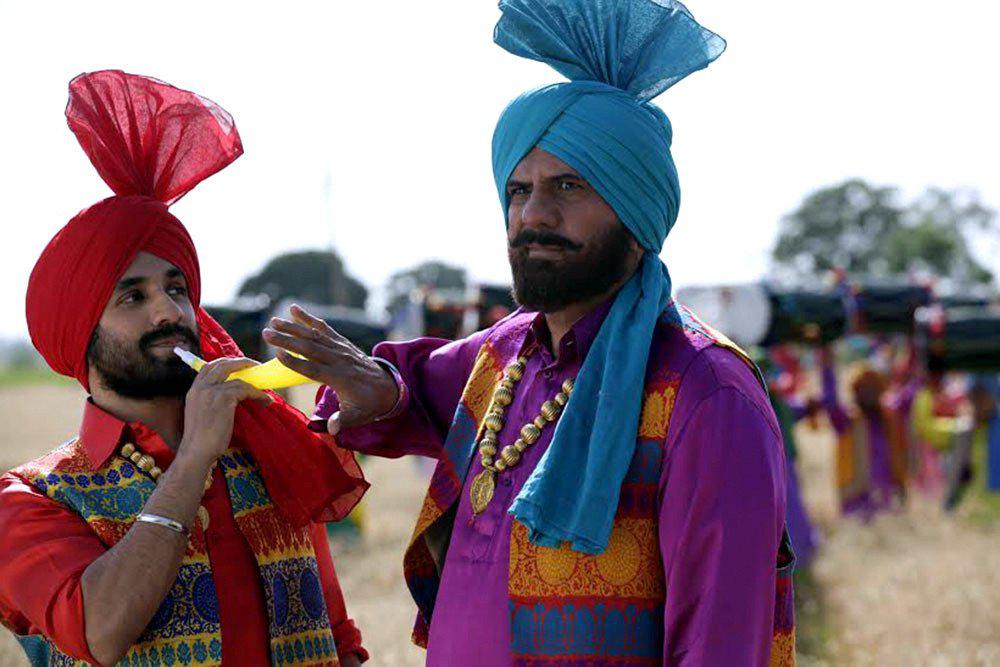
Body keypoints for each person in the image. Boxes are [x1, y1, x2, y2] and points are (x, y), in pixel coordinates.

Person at [267, 1, 794, 664]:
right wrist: (375, 387)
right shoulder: (503, 355)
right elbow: (413, 391)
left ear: (636, 209)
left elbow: (721, 644)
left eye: (568, 185)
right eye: (518, 189)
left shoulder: (707, 392)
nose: (532, 214)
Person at [0, 71, 368, 667]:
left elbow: (337, 638)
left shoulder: (267, 451)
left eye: (177, 288)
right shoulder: (32, 500)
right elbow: (100, 629)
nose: (169, 312)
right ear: (78, 336)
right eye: (132, 296)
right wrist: (195, 455)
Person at [819, 346, 908, 518]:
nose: (869, 394)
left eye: (873, 389)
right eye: (864, 389)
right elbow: (830, 404)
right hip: (856, 502)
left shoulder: (887, 421)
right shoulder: (848, 420)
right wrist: (827, 367)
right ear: (855, 391)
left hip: (885, 502)